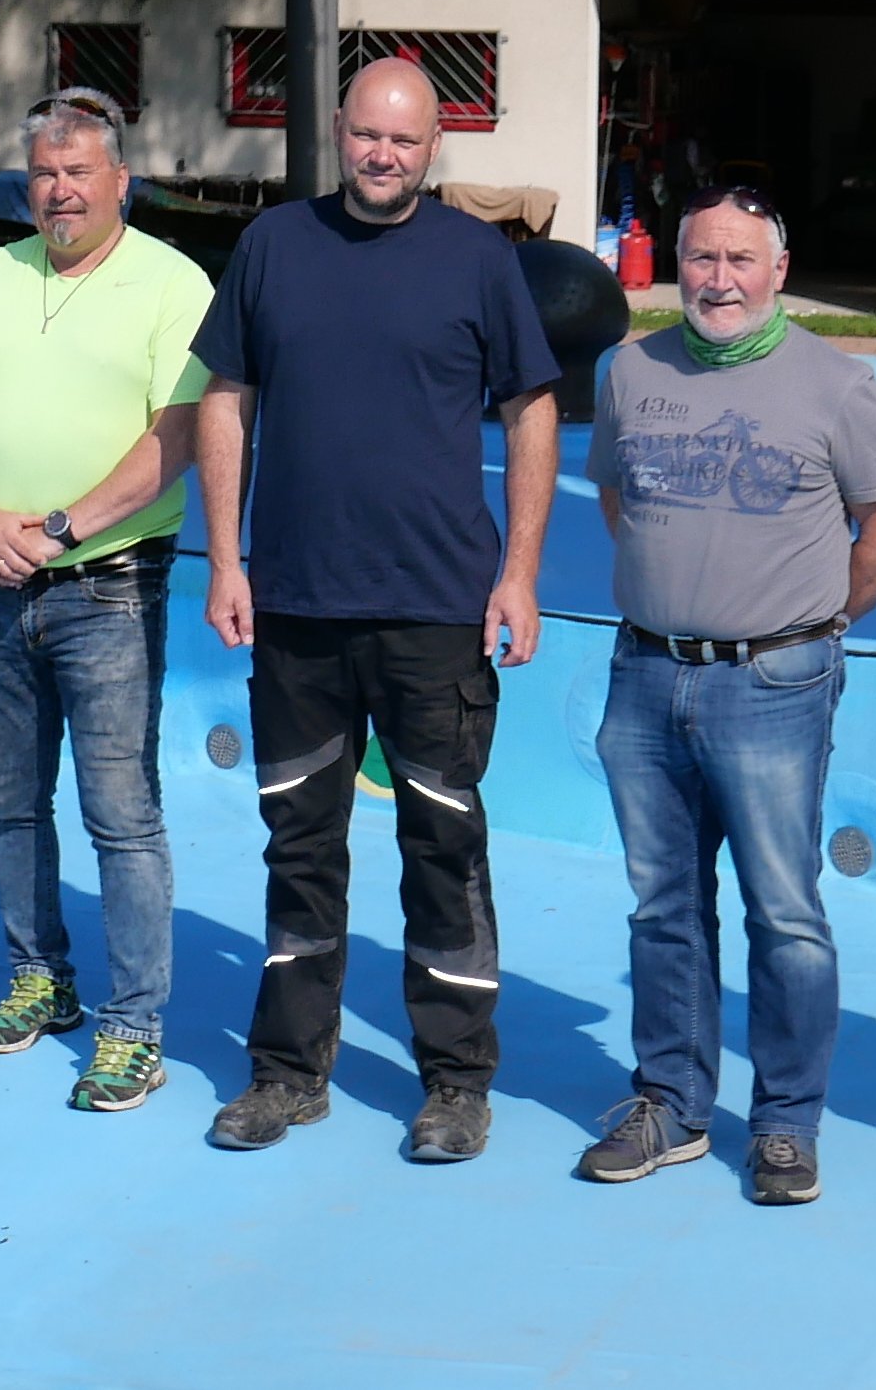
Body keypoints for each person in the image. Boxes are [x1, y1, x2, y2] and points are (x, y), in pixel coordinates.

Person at [193, 58, 562, 1162]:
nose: (382, 156)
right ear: (339, 133)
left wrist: (522, 572)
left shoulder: (477, 259)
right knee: (299, 845)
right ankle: (289, 1071)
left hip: (435, 610)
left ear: (433, 146)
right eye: (365, 136)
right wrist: (224, 558)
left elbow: (532, 411)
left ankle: (455, 1081)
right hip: (299, 607)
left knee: (442, 845)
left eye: (403, 141)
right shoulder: (273, 247)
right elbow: (226, 400)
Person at [576, 186, 876, 1201]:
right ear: (675, 265)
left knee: (785, 914)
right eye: (700, 259)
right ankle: (673, 1104)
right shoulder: (630, 369)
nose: (718, 280)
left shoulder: (842, 386)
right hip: (644, 674)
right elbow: (617, 502)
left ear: (778, 268)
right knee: (662, 907)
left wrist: (807, 623)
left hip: (776, 683)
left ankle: (783, 1122)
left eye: (739, 260)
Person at [0, 88, 211, 1111]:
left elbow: (174, 439)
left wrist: (60, 528)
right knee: (9, 800)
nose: (59, 189)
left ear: (119, 181)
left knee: (121, 815)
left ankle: (135, 1025)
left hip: (108, 586)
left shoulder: (173, 284)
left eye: (78, 171)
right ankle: (39, 978)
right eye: (42, 172)